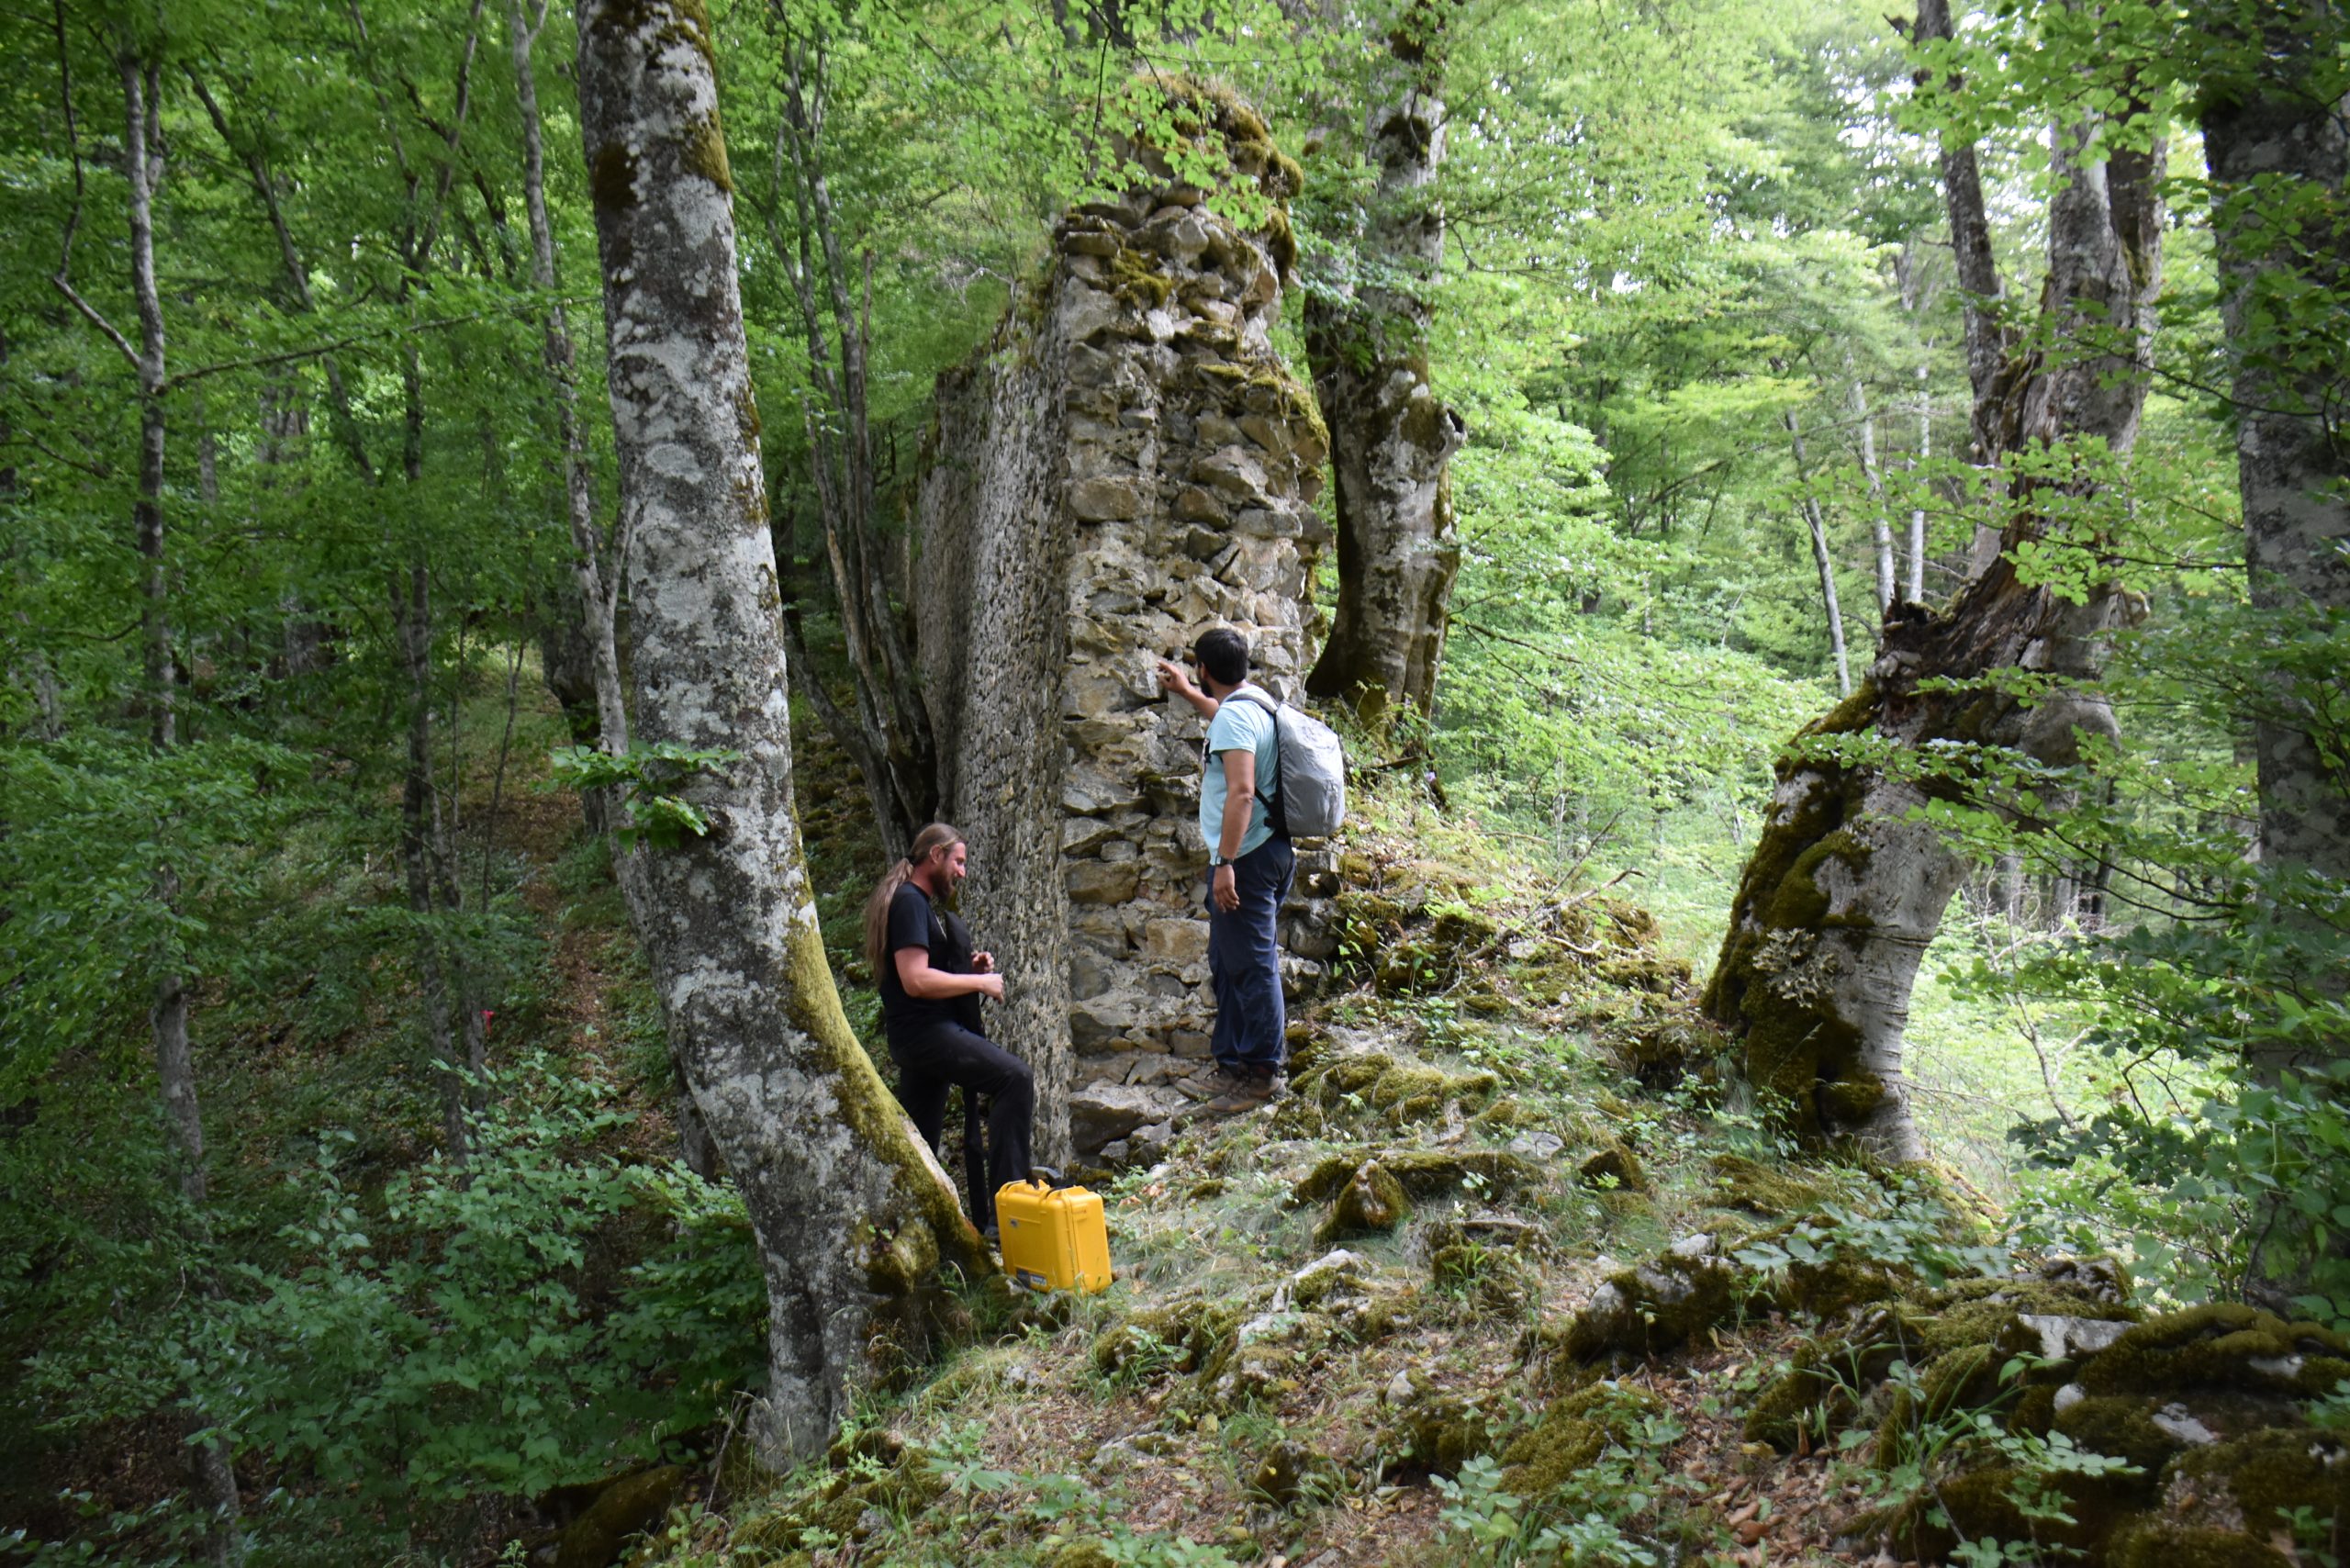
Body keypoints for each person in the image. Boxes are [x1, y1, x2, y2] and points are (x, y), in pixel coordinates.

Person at [863, 823, 1035, 1238]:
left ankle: (904, 1234)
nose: (962, 871)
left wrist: (967, 968)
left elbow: (927, 973)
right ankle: (1006, 1217)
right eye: (958, 861)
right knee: (1015, 1077)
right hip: (926, 1035)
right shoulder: (908, 902)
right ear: (935, 855)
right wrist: (980, 984)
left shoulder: (917, 904)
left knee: (918, 1144)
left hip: (918, 1039)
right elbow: (916, 980)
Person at [1154, 628, 1295, 1114]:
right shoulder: (1253, 705)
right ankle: (1232, 1065)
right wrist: (1189, 694)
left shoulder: (1238, 718)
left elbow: (1241, 792)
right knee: (1228, 960)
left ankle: (1262, 1074)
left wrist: (1225, 864)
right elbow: (1224, 720)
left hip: (1248, 858)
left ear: (1205, 668)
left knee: (1253, 964)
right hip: (1267, 850)